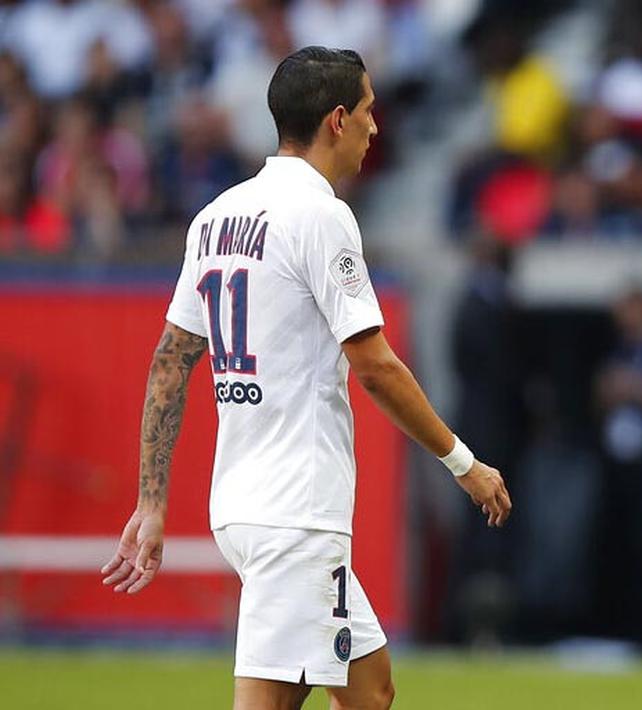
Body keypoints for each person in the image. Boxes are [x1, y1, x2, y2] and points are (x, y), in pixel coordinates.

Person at [100, 47, 511, 710]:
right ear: (338, 120)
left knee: (369, 693)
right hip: (295, 510)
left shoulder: (215, 219)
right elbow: (375, 365)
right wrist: (462, 462)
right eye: (371, 112)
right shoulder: (321, 216)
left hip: (241, 503)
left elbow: (170, 364)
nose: (378, 129)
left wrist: (153, 502)